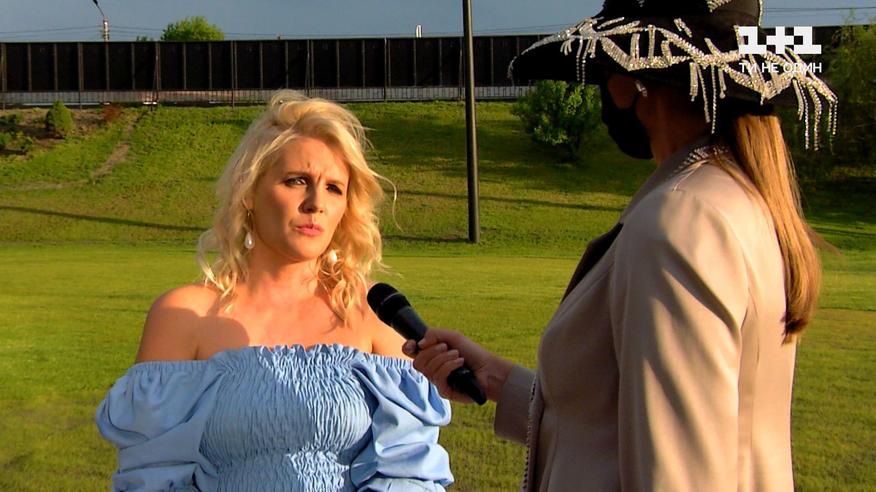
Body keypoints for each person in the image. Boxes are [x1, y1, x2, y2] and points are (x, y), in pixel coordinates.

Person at [405, 0, 836, 490]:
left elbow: (679, 475)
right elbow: (637, 423)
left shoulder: (678, 221)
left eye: (606, 70)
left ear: (633, 81)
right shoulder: (733, 200)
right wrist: (500, 383)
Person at [95, 91, 453, 491]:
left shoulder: (373, 315)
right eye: (296, 181)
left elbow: (408, 474)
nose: (315, 203)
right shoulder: (183, 316)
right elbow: (151, 476)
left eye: (334, 188)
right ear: (249, 191)